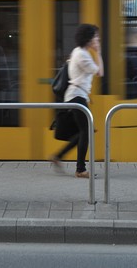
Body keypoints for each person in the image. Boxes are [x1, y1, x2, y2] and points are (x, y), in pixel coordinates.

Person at [49, 24, 104, 178]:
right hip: (77, 97)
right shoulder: (83, 55)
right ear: (88, 38)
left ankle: (58, 156)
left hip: (77, 96)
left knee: (84, 132)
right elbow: (100, 72)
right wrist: (98, 52)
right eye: (95, 36)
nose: (97, 39)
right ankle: (80, 169)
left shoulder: (78, 52)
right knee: (86, 132)